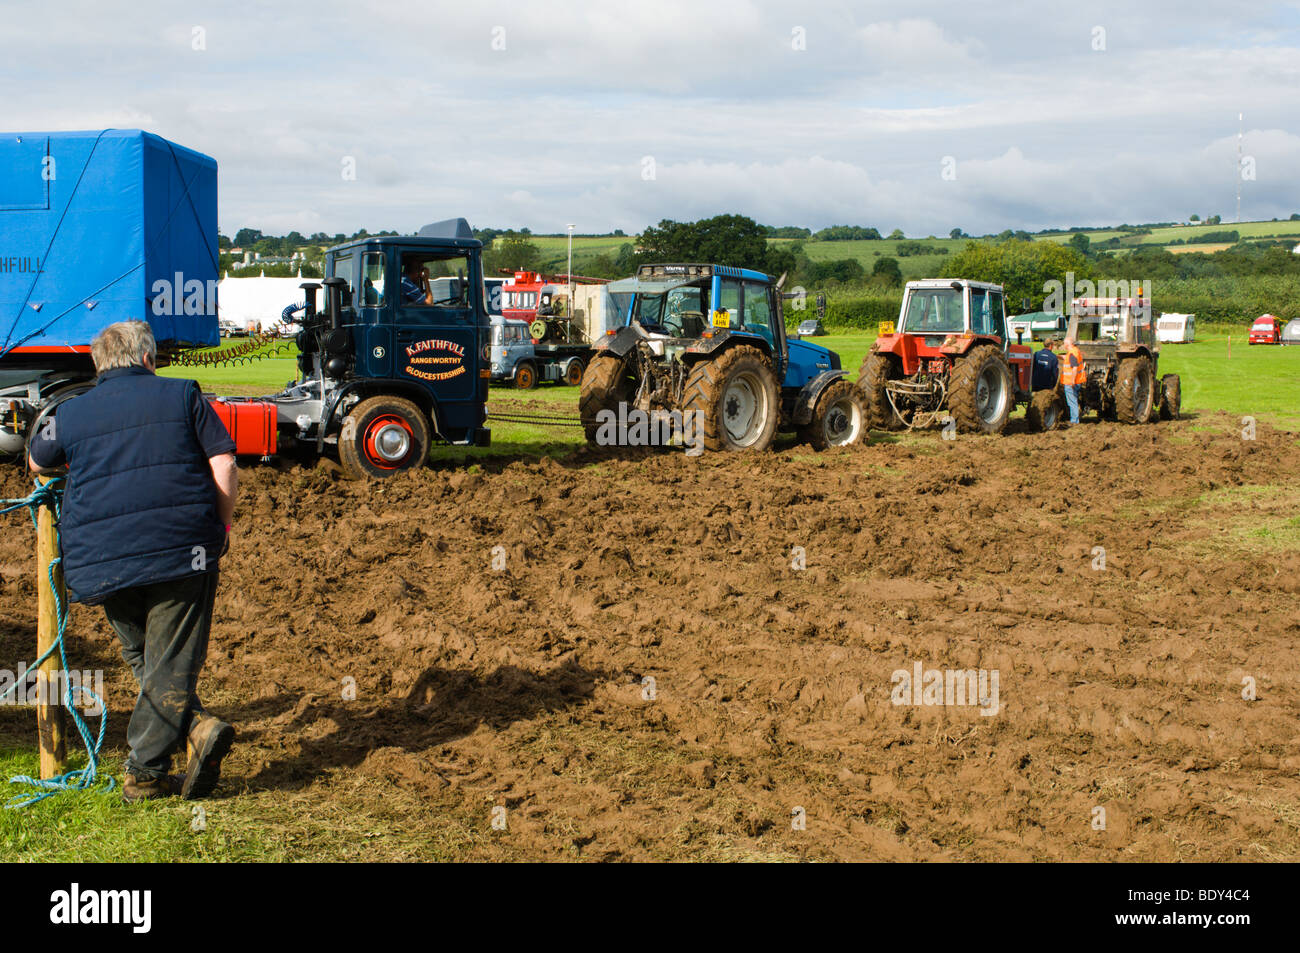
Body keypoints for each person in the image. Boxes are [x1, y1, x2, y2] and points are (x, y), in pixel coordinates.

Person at [28, 321, 239, 802]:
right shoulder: (185, 396)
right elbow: (224, 463)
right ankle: (145, 772)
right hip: (181, 549)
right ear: (148, 359)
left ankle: (198, 730)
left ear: (99, 366)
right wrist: (221, 528)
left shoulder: (71, 411)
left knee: (142, 654)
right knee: (172, 658)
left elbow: (39, 462)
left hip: (101, 557)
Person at [1059, 335, 1088, 425]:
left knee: (1072, 402)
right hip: (1077, 381)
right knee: (1074, 400)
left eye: (1064, 344)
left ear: (1067, 344)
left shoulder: (1072, 354)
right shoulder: (1075, 351)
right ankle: (1075, 419)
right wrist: (1059, 356)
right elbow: (1069, 359)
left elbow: (1074, 367)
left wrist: (1072, 381)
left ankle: (1074, 421)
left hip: (1070, 382)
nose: (1063, 345)